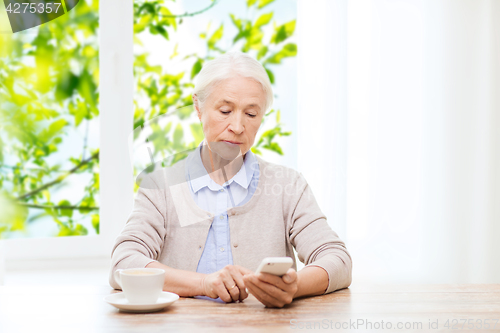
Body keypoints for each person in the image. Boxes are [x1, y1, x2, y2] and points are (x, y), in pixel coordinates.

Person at [109, 51, 352, 308]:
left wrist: (295, 287)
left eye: (251, 114)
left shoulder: (288, 185)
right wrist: (203, 284)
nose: (237, 126)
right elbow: (124, 262)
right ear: (198, 108)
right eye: (225, 110)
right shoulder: (161, 187)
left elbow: (337, 259)